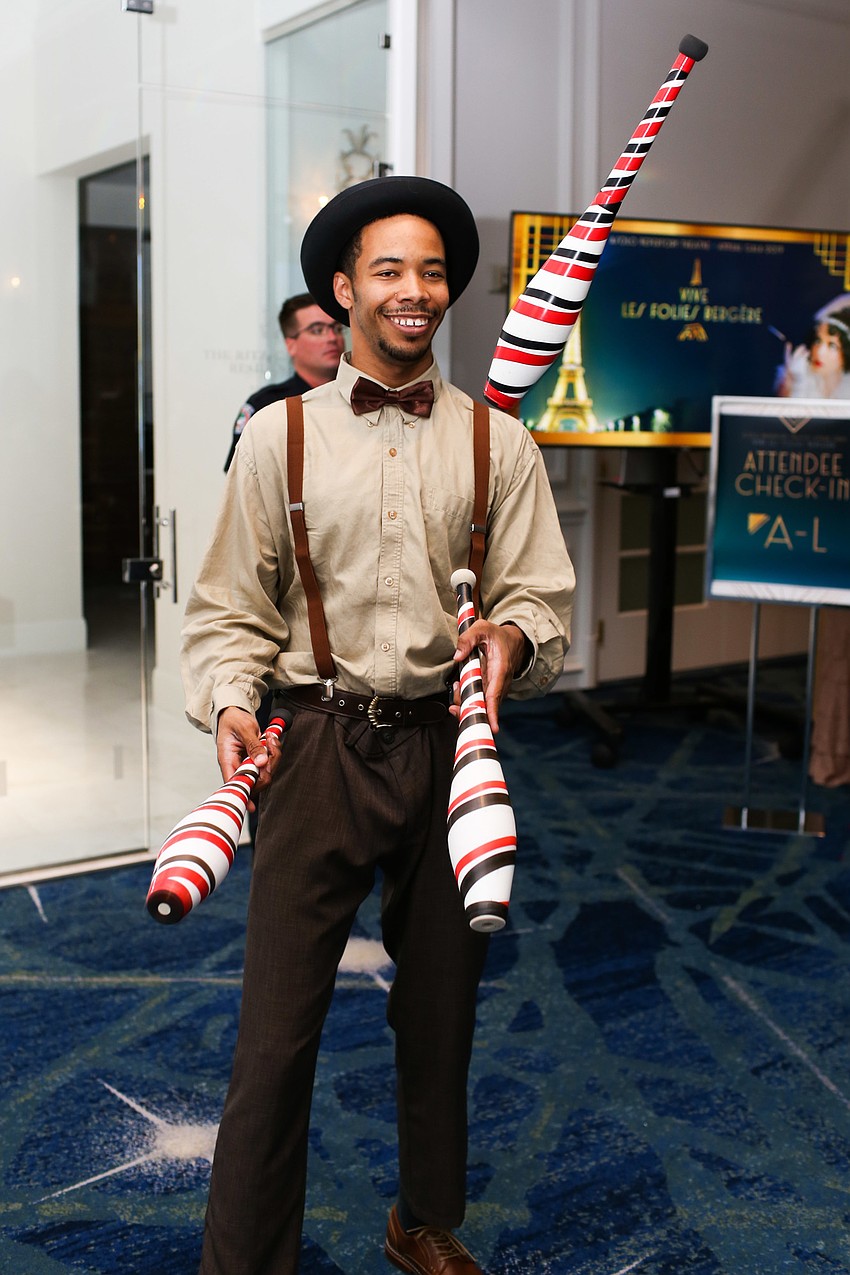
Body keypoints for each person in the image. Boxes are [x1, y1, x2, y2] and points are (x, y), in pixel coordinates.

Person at [181, 175, 575, 1274]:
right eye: (389, 269)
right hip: (312, 750)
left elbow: (542, 598)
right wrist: (228, 702)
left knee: (440, 1014)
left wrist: (511, 645)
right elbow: (227, 611)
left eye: (434, 270)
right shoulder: (279, 439)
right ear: (343, 290)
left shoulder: (501, 444)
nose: (415, 290)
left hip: (454, 753)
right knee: (275, 1037)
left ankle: (422, 1220)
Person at [224, 292, 346, 471]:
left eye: (336, 329)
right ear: (290, 345)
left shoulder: (363, 398)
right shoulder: (266, 405)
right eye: (317, 330)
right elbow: (244, 479)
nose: (332, 338)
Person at [775, 307, 850, 400]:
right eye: (818, 341)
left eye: (832, 346)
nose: (819, 352)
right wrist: (792, 380)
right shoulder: (800, 372)